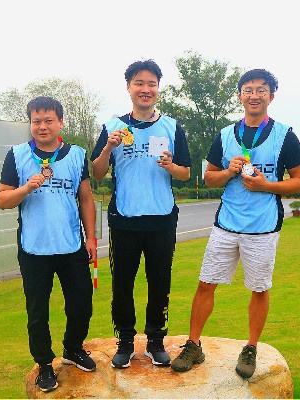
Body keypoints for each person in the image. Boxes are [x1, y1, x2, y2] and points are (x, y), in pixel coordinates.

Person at [171, 69, 300, 378]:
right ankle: (193, 345)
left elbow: (299, 182)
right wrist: (229, 171)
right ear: (240, 95)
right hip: (227, 223)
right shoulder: (225, 135)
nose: (254, 95)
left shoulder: (285, 135)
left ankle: (251, 348)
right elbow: (209, 178)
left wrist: (266, 185)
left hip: (263, 226)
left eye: (261, 90)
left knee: (259, 288)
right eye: (248, 89)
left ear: (271, 96)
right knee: (206, 283)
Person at [91, 59, 191, 369]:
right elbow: (97, 173)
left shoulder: (172, 127)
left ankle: (156, 341)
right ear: (128, 87)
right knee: (122, 284)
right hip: (125, 219)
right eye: (139, 83)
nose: (145, 89)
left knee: (159, 282)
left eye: (151, 84)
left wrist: (171, 166)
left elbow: (186, 173)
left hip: (161, 218)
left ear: (158, 88)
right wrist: (107, 148)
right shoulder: (113, 126)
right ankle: (124, 341)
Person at [0, 96, 97, 393]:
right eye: (36, 121)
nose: (42, 126)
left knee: (82, 303)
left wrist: (91, 238)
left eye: (48, 120)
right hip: (34, 248)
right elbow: (2, 200)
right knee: (37, 311)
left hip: (71, 245)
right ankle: (44, 364)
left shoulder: (76, 155)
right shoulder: (17, 155)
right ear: (30, 124)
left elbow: (86, 198)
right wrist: (26, 188)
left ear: (60, 122)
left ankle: (73, 348)